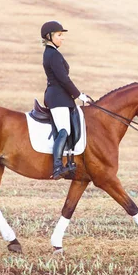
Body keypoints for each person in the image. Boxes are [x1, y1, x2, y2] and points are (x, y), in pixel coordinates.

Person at [41, 20, 90, 180]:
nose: (62, 38)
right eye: (59, 35)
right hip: (57, 98)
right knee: (64, 130)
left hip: (61, 97)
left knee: (69, 129)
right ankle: (57, 167)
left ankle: (69, 162)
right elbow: (63, 79)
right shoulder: (53, 54)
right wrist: (79, 95)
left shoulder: (52, 53)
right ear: (49, 36)